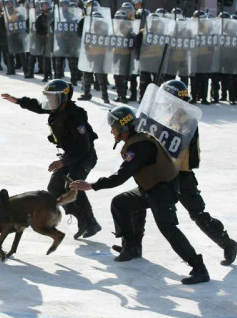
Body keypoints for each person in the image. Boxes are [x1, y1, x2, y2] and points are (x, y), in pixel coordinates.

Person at [69, 105, 210, 285]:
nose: (111, 131)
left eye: (113, 127)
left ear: (122, 128)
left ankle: (199, 268)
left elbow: (121, 176)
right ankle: (131, 247)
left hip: (162, 191)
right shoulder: (136, 139)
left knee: (168, 228)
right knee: (121, 203)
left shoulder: (138, 147)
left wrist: (91, 185)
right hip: (150, 188)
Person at [1, 79, 102, 239]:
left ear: (63, 98)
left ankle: (91, 222)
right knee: (54, 187)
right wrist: (18, 101)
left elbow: (83, 148)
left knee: (74, 184)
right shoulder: (57, 110)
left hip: (84, 157)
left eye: (53, 97)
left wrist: (63, 162)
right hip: (69, 156)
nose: (49, 101)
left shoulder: (75, 116)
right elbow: (37, 106)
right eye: (48, 97)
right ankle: (79, 216)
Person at [161, 80, 237, 266]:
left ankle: (228, 244)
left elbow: (177, 146)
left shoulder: (188, 120)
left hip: (181, 176)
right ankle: (131, 244)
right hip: (164, 173)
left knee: (198, 214)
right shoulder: (169, 118)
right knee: (137, 203)